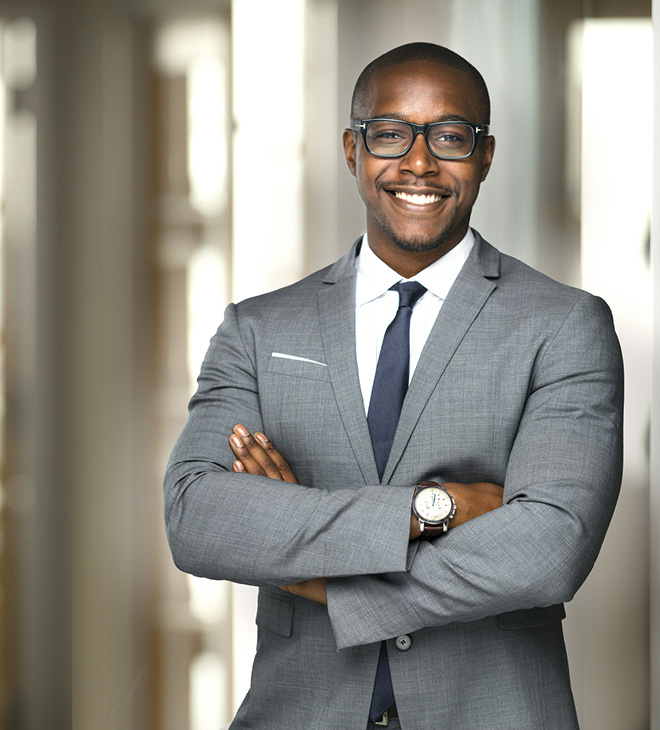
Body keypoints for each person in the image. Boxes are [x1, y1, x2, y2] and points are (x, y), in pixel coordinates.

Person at [164, 42, 623, 730]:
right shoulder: (258, 330)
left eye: (449, 136)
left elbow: (549, 549)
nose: (418, 162)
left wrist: (309, 570)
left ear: (486, 156)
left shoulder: (564, 325)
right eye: (389, 135)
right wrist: (433, 508)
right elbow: (198, 518)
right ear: (353, 151)